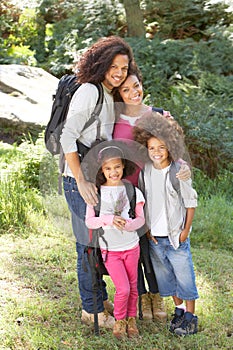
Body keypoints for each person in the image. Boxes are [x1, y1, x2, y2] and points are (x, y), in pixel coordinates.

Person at [60, 36, 136, 328]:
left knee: (98, 241)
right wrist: (81, 181)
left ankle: (98, 297)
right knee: (87, 246)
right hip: (79, 181)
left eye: (124, 67)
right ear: (101, 64)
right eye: (113, 66)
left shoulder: (107, 93)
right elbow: (68, 136)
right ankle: (90, 309)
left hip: (94, 180)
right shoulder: (90, 91)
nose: (118, 72)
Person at [112, 68, 191, 323]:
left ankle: (157, 296)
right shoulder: (114, 119)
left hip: (155, 189)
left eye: (136, 86)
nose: (133, 93)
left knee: (154, 248)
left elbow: (172, 144)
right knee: (132, 246)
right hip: (127, 192)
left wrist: (182, 165)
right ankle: (141, 296)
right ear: (119, 94)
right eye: (126, 90)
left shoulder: (156, 115)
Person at [133, 111, 199, 336]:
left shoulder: (178, 171)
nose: (157, 152)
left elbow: (191, 203)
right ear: (146, 148)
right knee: (167, 279)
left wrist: (185, 231)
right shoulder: (146, 172)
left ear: (170, 146)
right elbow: (145, 203)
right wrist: (148, 229)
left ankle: (191, 317)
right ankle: (179, 311)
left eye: (162, 147)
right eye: (152, 148)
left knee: (184, 277)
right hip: (155, 239)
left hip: (175, 237)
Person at [85, 143, 145, 339]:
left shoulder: (132, 190)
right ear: (102, 170)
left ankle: (132, 319)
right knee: (123, 288)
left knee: (134, 287)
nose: (113, 172)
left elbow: (141, 219)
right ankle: (120, 321)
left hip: (131, 246)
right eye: (108, 168)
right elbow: (90, 222)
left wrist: (128, 225)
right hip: (110, 250)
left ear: (123, 166)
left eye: (117, 167)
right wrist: (110, 219)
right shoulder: (96, 193)